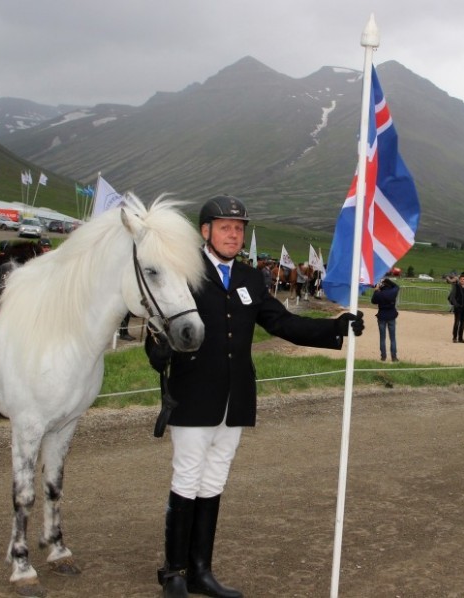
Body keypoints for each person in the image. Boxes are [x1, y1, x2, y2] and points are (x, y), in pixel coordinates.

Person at [147, 195, 363, 598]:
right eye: (225, 227)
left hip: (236, 396)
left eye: (239, 228)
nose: (233, 234)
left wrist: (336, 327)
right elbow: (161, 325)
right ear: (206, 231)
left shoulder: (250, 278)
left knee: (214, 480)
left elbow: (282, 323)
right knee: (187, 477)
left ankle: (200, 572)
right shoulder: (184, 271)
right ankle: (174, 572)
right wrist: (156, 350)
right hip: (193, 393)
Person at [371, 277, 399, 361]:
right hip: (391, 316)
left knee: (382, 338)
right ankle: (394, 357)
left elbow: (373, 301)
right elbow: (397, 286)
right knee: (392, 338)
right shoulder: (393, 292)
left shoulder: (379, 293)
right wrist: (387, 280)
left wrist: (376, 290)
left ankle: (383, 356)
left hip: (382, 316)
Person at [448, 273, 464, 343]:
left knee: (463, 324)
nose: (463, 280)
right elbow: (452, 297)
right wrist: (456, 305)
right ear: (459, 280)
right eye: (461, 279)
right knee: (457, 323)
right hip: (458, 308)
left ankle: (460, 338)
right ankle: (454, 337)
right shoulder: (456, 287)